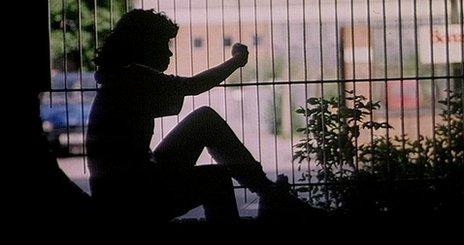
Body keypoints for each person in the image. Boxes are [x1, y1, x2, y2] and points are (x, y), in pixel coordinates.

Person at [86, 9, 323, 223]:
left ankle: (269, 193)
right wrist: (237, 62)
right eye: (163, 43)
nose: (169, 53)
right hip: (132, 201)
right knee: (215, 176)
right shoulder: (133, 77)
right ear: (144, 44)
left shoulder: (117, 78)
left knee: (204, 121)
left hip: (123, 192)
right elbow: (193, 86)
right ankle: (269, 195)